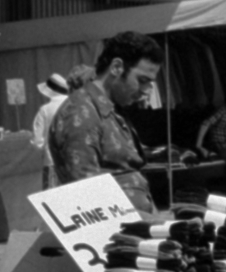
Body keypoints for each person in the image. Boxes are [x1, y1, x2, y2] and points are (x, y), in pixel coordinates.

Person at [49, 31, 163, 213]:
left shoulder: (113, 110)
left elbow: (133, 176)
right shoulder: (80, 113)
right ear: (117, 67)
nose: (146, 91)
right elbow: (87, 196)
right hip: (116, 235)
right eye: (142, 81)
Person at [31, 68, 90, 185]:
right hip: (77, 161)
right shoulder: (78, 105)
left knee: (52, 196)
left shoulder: (45, 110)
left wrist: (44, 150)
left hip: (52, 161)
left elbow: (37, 140)